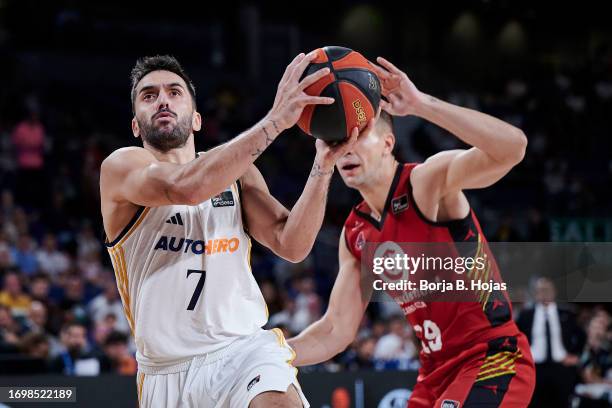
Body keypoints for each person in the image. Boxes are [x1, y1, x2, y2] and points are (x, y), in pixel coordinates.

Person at [99, 53, 368, 408]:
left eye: (174, 92)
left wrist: (322, 166)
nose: (162, 99)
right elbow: (186, 187)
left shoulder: (239, 173)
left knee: (277, 400)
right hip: (166, 373)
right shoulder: (121, 166)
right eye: (149, 95)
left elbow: (292, 244)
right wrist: (274, 121)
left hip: (242, 352)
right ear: (136, 125)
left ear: (196, 119)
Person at [288, 57, 536, 407]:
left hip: (492, 358)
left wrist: (422, 105)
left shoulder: (425, 182)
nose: (346, 147)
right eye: (338, 140)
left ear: (388, 143)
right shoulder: (355, 233)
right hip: (434, 373)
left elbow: (513, 148)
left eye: (359, 136)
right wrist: (272, 351)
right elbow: (334, 331)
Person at [517, 277, 585, 407]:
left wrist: (576, 355)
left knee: (562, 403)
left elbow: (582, 335)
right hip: (535, 368)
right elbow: (516, 337)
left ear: (554, 291)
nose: (544, 293)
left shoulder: (566, 314)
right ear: (535, 293)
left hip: (560, 367)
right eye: (541, 290)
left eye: (547, 289)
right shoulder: (526, 315)